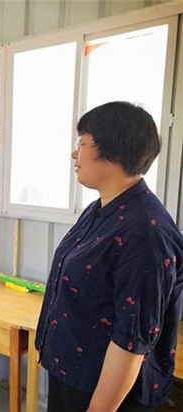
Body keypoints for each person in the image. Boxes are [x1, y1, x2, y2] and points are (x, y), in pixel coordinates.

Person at [35, 101, 183, 411]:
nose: (74, 154)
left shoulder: (146, 231)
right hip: (74, 372)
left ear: (113, 151)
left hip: (105, 391)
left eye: (82, 143)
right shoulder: (101, 208)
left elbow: (131, 340)